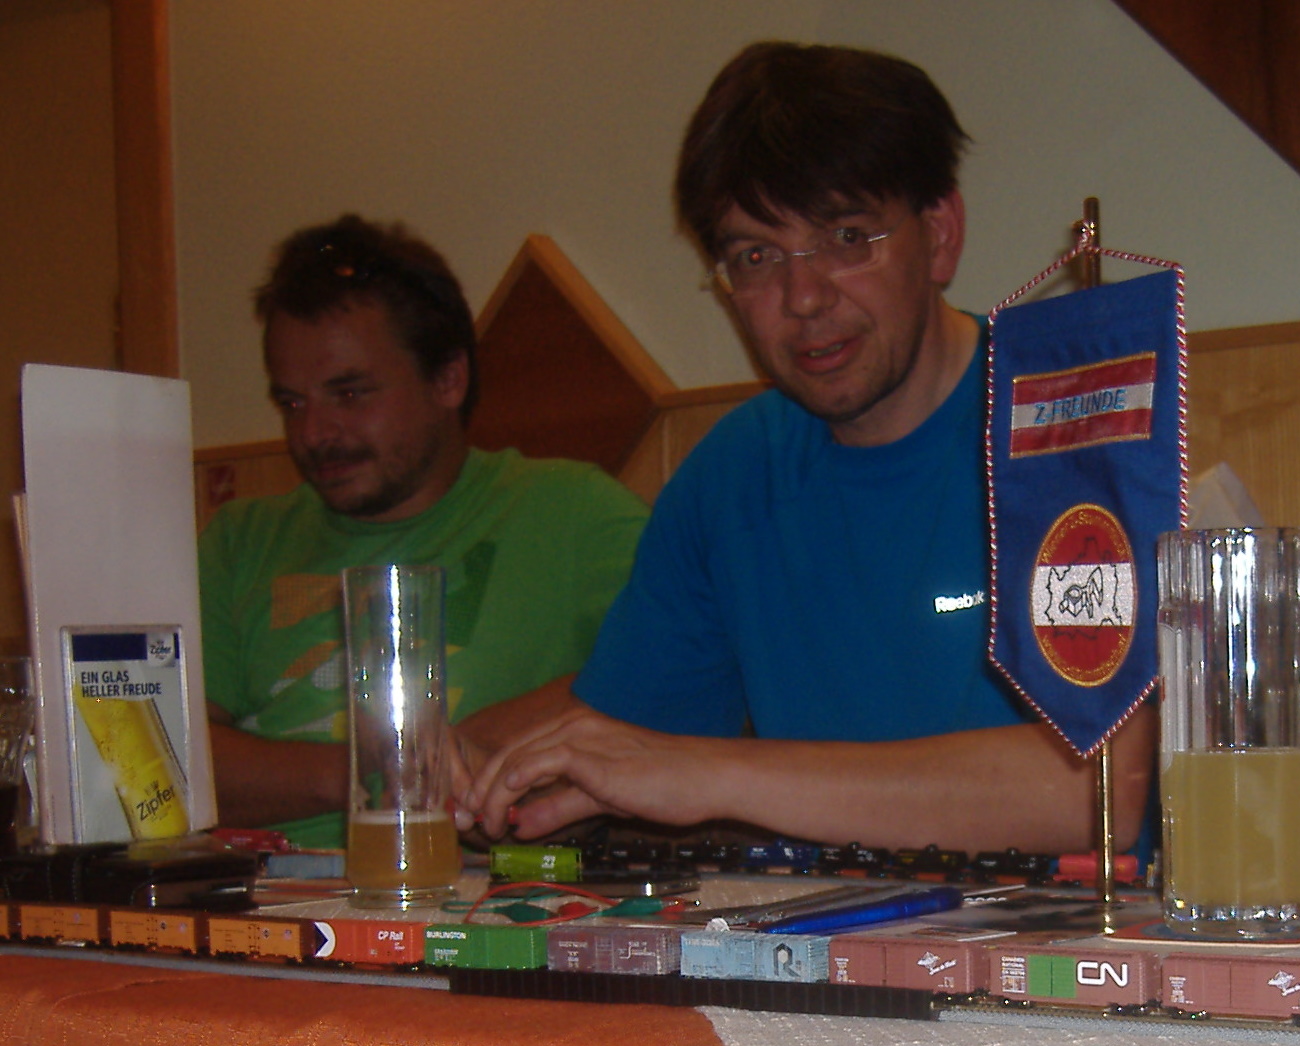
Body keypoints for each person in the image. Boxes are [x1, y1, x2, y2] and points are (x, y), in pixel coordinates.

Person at [454, 42, 1155, 854]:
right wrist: (473, 769)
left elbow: (1095, 789)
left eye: (847, 237)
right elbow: (625, 750)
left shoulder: (1068, 423)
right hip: (822, 929)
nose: (802, 298)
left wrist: (715, 774)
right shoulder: (730, 475)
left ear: (939, 234)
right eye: (755, 257)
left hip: (1068, 935)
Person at [199, 214, 649, 848]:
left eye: (350, 394)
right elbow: (165, 763)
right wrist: (387, 768)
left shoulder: (574, 513)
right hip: (258, 882)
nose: (314, 433)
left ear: (448, 379)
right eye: (292, 403)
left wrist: (477, 746)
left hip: (477, 881)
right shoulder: (239, 539)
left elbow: (680, 676)